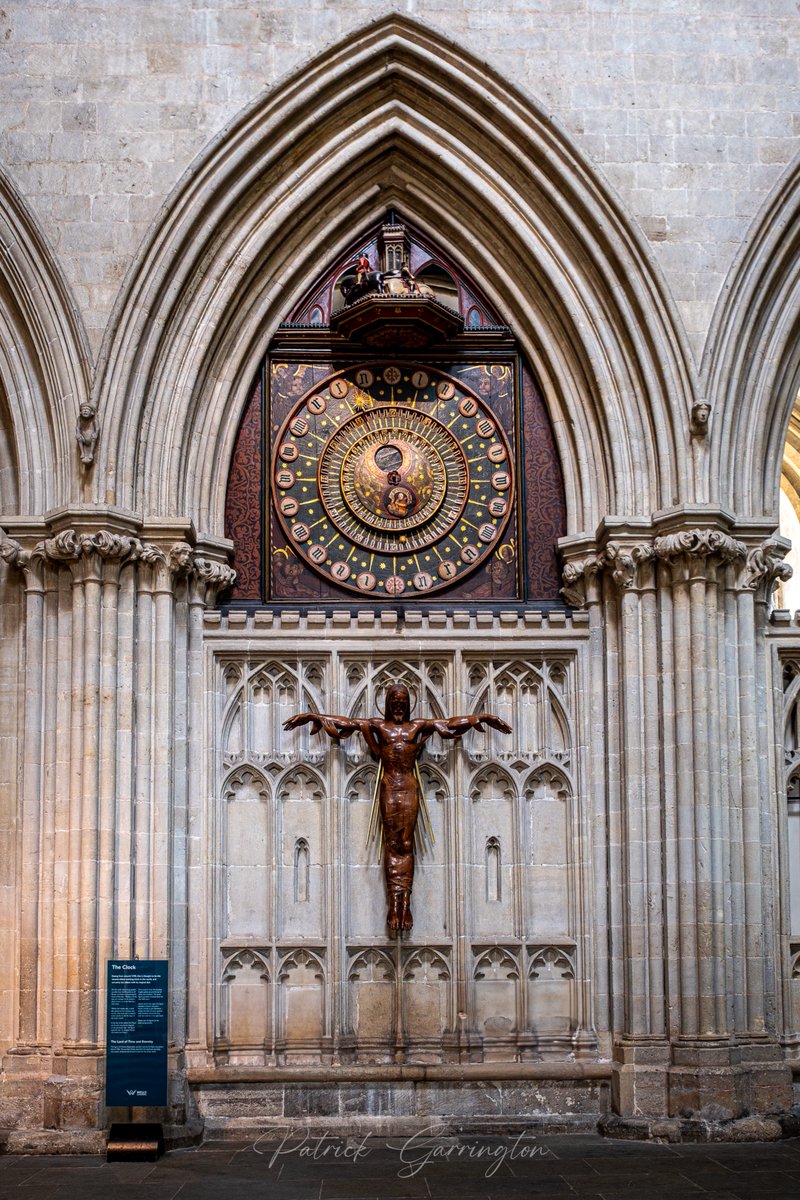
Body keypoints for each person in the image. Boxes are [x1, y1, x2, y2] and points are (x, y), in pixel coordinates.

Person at [283, 683, 511, 933]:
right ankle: (394, 903)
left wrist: (482, 718)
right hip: (389, 786)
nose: (399, 705)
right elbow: (346, 724)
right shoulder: (378, 726)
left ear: (408, 704)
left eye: (403, 701)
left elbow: (450, 725)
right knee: (392, 844)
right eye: (395, 701)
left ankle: (406, 903)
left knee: (406, 844)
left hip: (410, 786)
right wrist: (313, 717)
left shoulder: (417, 726)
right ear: (389, 704)